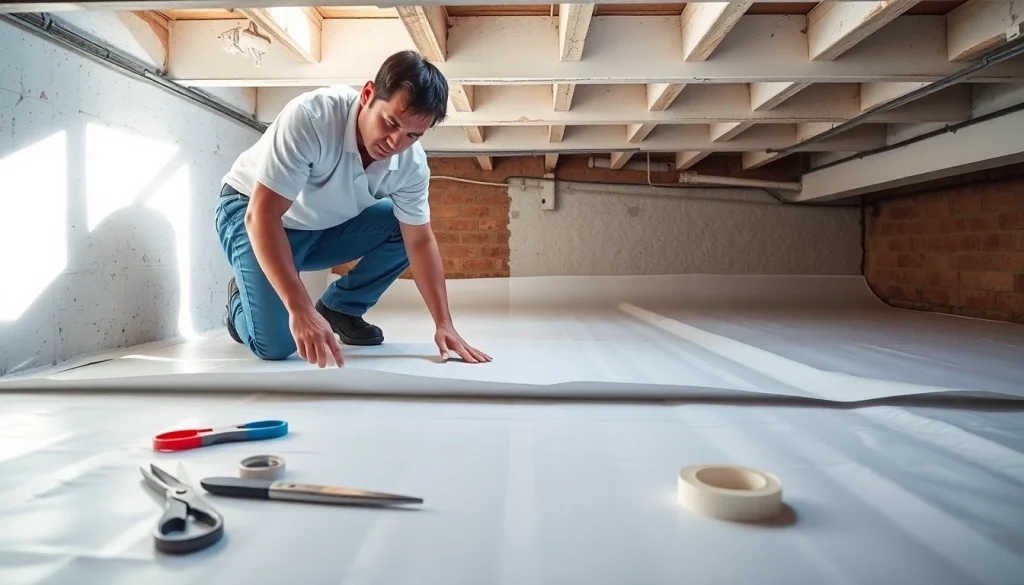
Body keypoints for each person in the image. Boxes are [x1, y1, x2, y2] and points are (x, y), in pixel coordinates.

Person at [214, 50, 491, 368]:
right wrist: (301, 309)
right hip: (249, 215)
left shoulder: (411, 166)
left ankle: (341, 308)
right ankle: (241, 301)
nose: (395, 143)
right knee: (276, 346)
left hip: (317, 230)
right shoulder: (312, 117)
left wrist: (444, 323)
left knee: (404, 226)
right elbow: (261, 215)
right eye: (390, 123)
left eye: (413, 135)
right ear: (369, 93)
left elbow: (419, 241)